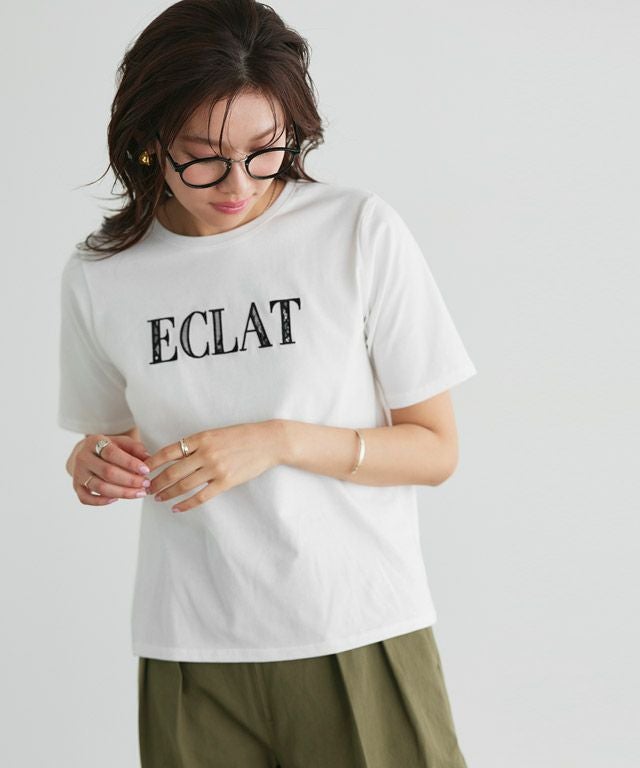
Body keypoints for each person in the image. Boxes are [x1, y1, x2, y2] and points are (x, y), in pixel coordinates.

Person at [57, 1, 477, 766]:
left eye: (265, 151)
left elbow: (435, 449)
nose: (239, 184)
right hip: (189, 647)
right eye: (203, 157)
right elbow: (116, 438)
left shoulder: (355, 230)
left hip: (356, 627)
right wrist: (94, 464)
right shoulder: (101, 273)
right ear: (149, 142)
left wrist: (278, 441)